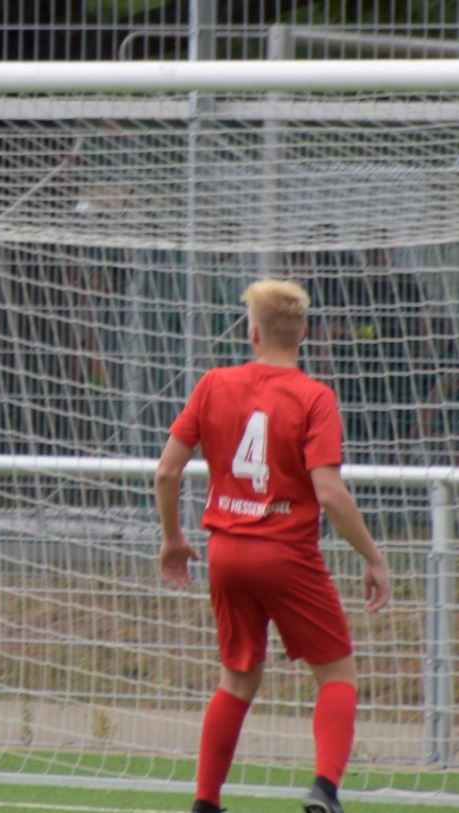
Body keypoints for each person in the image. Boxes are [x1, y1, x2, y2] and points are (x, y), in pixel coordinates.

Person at [154, 278, 391, 813]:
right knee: (337, 674)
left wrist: (172, 539)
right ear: (303, 333)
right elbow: (329, 493)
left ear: (253, 333)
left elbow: (167, 472)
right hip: (286, 553)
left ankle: (205, 802)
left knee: (236, 681)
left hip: (226, 554)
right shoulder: (314, 397)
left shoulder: (213, 383)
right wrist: (373, 557)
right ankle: (324, 789)